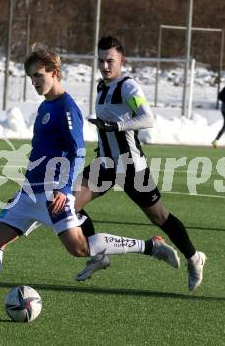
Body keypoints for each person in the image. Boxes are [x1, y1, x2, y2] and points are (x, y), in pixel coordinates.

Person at [0, 44, 179, 319]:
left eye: (38, 75)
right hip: (31, 192)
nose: (34, 82)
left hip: (55, 193)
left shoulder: (66, 107)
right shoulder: (45, 107)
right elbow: (40, 154)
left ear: (55, 73)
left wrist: (65, 190)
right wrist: (22, 191)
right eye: (30, 77)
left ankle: (151, 246)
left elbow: (77, 150)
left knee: (78, 248)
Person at [74, 35, 206, 291]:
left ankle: (194, 257)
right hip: (105, 164)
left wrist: (117, 126)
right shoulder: (102, 88)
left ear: (121, 60)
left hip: (131, 167)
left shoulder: (128, 87)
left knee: (160, 217)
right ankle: (98, 255)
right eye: (100, 61)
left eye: (109, 61)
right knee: (70, 203)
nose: (104, 66)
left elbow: (147, 118)